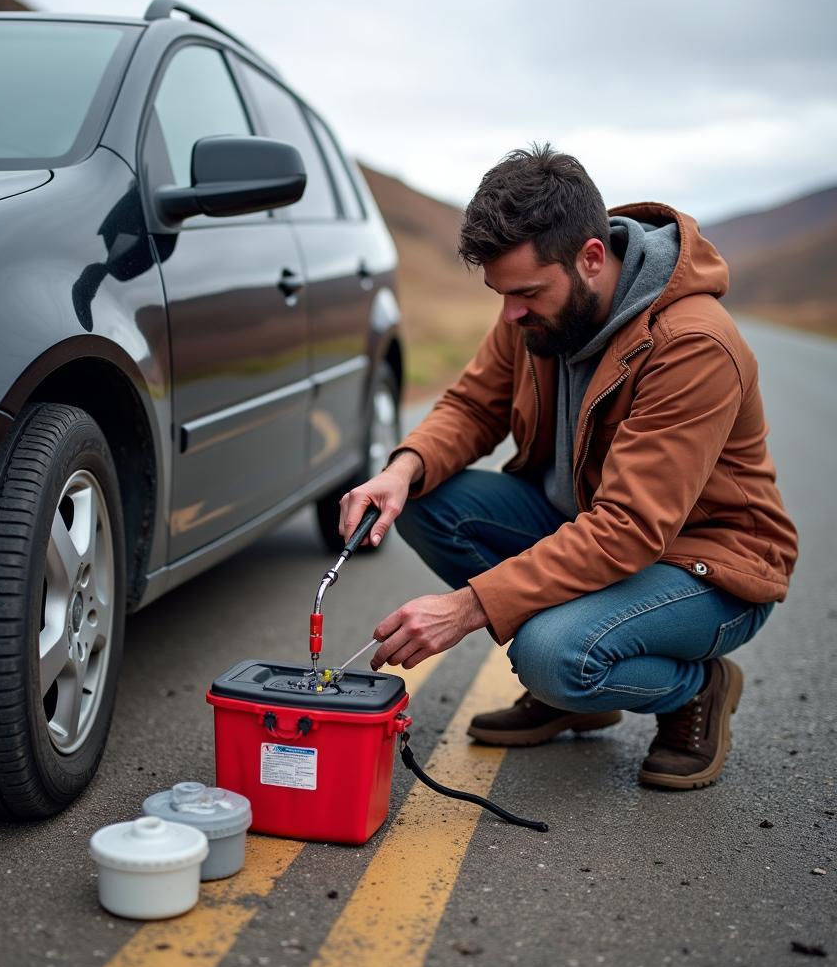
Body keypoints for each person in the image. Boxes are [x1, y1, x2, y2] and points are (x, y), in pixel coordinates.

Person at [339, 144, 798, 790]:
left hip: (707, 567)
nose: (510, 315)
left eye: (525, 293)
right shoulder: (536, 313)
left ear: (589, 258)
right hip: (589, 528)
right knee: (420, 494)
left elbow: (630, 530)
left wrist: (469, 607)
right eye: (501, 294)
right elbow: (473, 406)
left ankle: (694, 689)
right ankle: (577, 689)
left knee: (551, 654)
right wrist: (403, 467)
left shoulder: (693, 344)